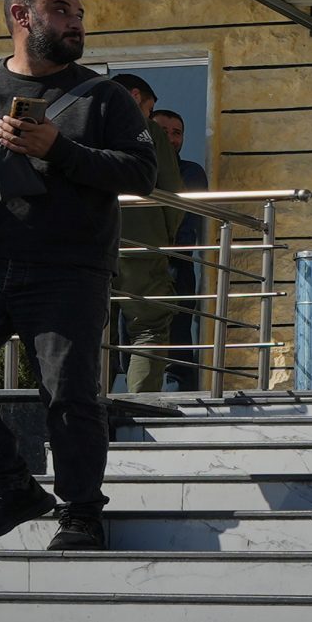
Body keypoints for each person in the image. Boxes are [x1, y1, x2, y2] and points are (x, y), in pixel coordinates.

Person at [0, 0, 157, 552]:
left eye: (79, 13)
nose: (77, 22)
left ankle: (80, 512)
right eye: (63, 10)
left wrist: (57, 149)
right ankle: (10, 487)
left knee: (69, 392)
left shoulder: (105, 97)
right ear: (22, 16)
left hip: (67, 268)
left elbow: (141, 173)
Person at [109, 74, 189, 395]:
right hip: (139, 240)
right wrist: (164, 236)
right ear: (134, 95)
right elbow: (171, 190)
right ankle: (140, 406)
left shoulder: (79, 124)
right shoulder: (146, 130)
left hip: (85, 239)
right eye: (149, 108)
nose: (149, 115)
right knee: (150, 326)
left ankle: (84, 403)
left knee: (88, 326)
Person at [154, 108, 210, 390]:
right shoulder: (134, 166)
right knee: (130, 331)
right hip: (132, 260)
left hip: (175, 260)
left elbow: (183, 220)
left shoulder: (190, 171)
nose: (171, 138)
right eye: (163, 131)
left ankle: (178, 388)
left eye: (177, 133)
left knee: (177, 333)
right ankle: (132, 389)